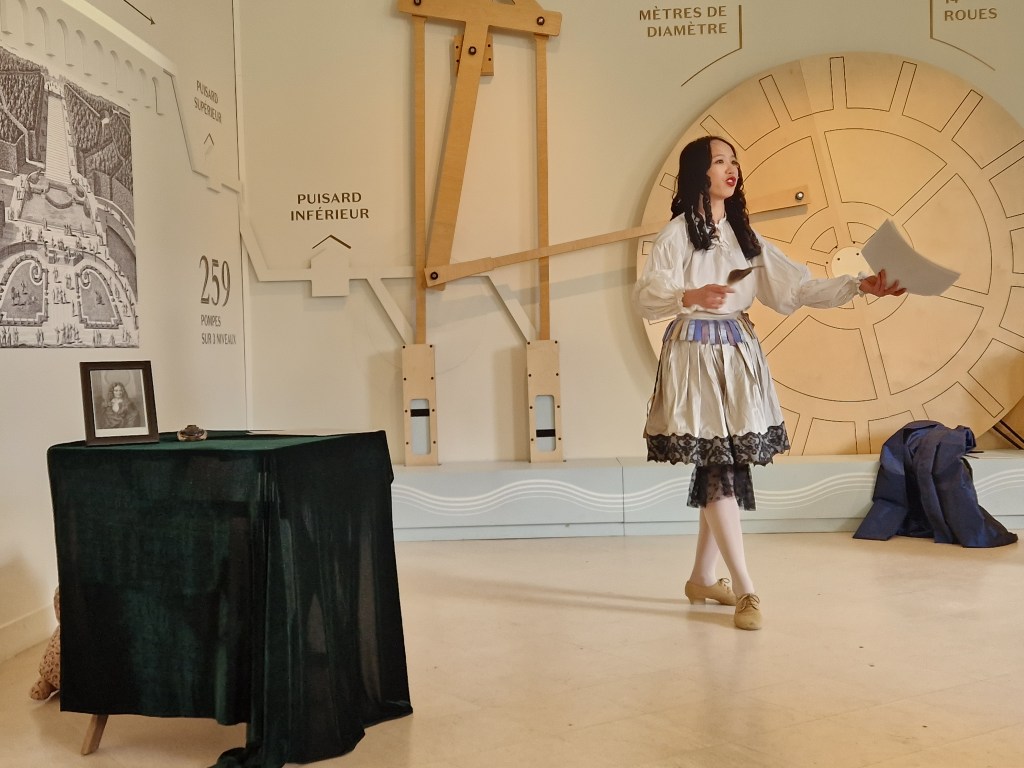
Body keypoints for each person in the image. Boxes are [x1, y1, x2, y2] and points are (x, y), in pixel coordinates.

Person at [633, 135, 904, 630]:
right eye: (719, 161)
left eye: (733, 161)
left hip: (737, 352)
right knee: (719, 462)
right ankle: (746, 589)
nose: (730, 169)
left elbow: (796, 287)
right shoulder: (677, 234)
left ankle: (702, 577)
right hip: (696, 353)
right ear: (698, 173)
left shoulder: (745, 237)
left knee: (724, 461)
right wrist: (690, 294)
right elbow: (648, 295)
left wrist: (857, 285)